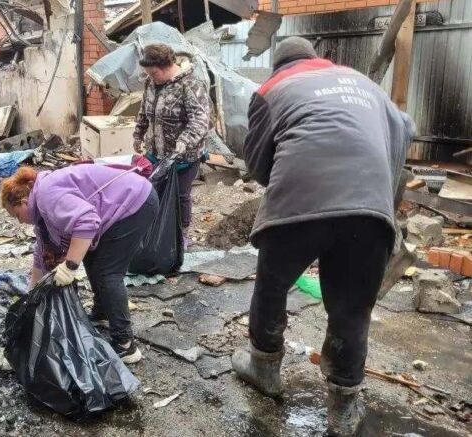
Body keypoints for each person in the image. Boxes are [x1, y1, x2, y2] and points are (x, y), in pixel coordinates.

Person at [232, 37, 414, 435]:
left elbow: (258, 165)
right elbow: (405, 128)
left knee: (271, 287)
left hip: (297, 202)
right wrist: (382, 193)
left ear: (278, 67)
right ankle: (343, 407)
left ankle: (264, 369)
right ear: (317, 59)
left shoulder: (271, 89)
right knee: (352, 308)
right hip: (369, 208)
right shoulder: (363, 83)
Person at [1, 165, 158, 363]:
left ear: (24, 202)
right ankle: (102, 312)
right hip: (120, 204)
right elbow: (41, 254)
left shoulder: (47, 197)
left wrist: (70, 266)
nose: (20, 222)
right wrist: (31, 294)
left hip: (134, 202)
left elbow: (87, 222)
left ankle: (125, 344)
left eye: (16, 215)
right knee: (91, 257)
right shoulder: (41, 214)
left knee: (107, 273)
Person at [132, 43, 210, 247]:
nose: (151, 77)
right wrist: (138, 134)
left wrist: (184, 142)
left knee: (180, 195)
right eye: (148, 73)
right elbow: (144, 110)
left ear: (167, 66)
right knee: (152, 191)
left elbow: (200, 120)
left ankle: (181, 235)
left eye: (154, 73)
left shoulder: (191, 84)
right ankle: (156, 232)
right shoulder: (151, 83)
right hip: (156, 151)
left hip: (184, 155)